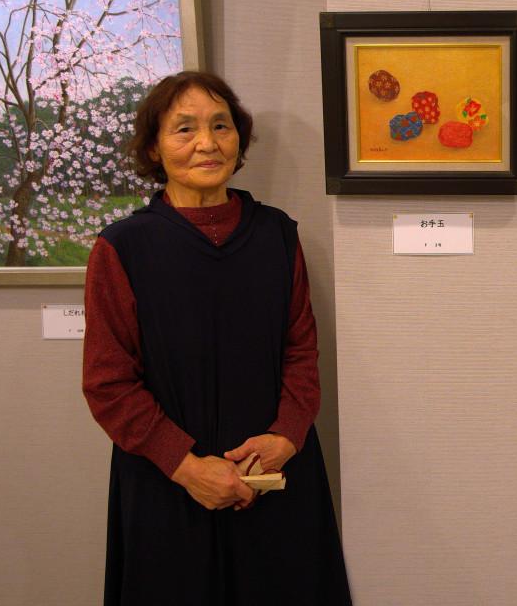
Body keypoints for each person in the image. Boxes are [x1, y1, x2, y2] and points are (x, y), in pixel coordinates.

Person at [82, 71, 351, 605]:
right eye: (184, 129)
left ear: (240, 139)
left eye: (221, 126)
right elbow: (108, 384)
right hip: (168, 482)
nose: (207, 143)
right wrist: (188, 468)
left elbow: (301, 351)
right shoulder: (121, 248)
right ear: (154, 148)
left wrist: (287, 436)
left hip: (273, 471)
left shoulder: (277, 234)